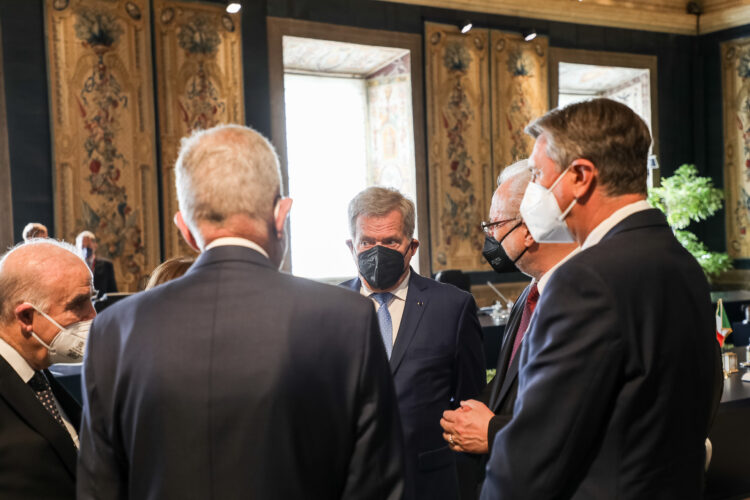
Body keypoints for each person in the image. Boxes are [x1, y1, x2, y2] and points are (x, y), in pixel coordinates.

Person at [77, 124, 405, 500]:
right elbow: (376, 487)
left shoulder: (113, 329)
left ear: (185, 228)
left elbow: (99, 489)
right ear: (282, 215)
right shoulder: (349, 318)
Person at [481, 98, 723, 499]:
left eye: (539, 175)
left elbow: (534, 454)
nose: (533, 192)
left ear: (580, 176)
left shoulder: (584, 280)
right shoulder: (680, 261)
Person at [439, 160, 577, 496]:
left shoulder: (582, 298)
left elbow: (572, 422)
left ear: (528, 230)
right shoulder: (529, 293)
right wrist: (465, 413)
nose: (489, 238)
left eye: (494, 225)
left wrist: (491, 431)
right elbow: (507, 384)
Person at [341, 186, 485, 500]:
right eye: (367, 241)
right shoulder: (328, 307)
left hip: (429, 483)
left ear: (412, 245)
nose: (377, 251)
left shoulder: (453, 306)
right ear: (352, 245)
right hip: (349, 482)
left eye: (391, 241)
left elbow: (469, 404)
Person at [0, 239, 96, 499]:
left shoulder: (39, 371)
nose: (94, 316)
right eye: (79, 304)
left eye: (92, 300)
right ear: (26, 317)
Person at [75, 231, 118, 298]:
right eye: (82, 246)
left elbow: (113, 293)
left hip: (101, 306)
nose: (85, 250)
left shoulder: (106, 265)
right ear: (77, 248)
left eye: (88, 246)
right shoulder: (72, 267)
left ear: (95, 245)